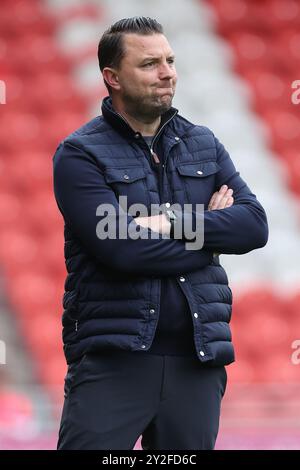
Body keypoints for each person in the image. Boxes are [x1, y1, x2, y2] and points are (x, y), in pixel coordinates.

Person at [53, 17, 268, 450]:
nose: (168, 72)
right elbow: (122, 250)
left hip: (198, 360)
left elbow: (253, 226)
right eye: (150, 63)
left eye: (170, 60)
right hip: (114, 362)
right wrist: (209, 241)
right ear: (112, 78)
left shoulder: (203, 142)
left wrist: (169, 222)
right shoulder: (79, 154)